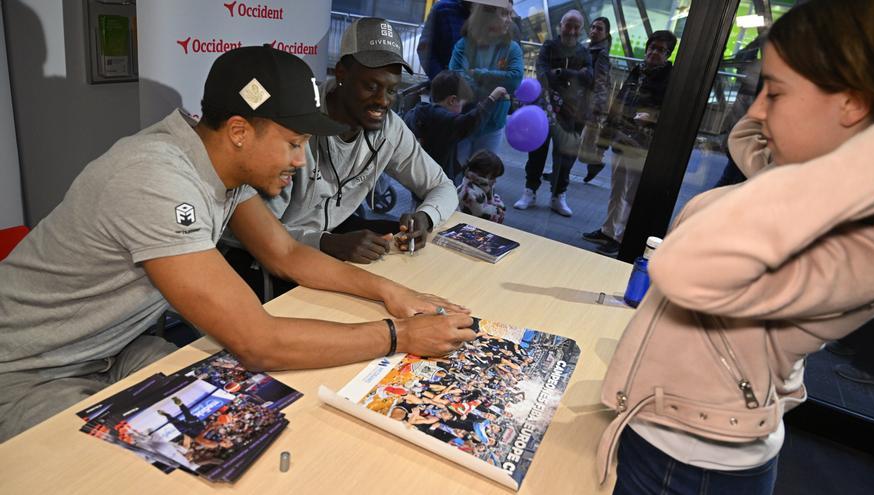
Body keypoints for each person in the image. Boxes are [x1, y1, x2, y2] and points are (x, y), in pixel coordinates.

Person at [0, 46, 476, 443]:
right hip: (27, 371)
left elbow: (286, 254)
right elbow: (257, 341)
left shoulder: (219, 158)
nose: (300, 159)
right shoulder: (155, 179)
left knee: (256, 421)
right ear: (239, 131)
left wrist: (390, 292)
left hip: (114, 349)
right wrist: (399, 337)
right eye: (294, 142)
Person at [596, 2, 874, 493]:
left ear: (853, 102)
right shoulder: (799, 182)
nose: (757, 108)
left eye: (776, 91)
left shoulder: (858, 240)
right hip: (667, 433)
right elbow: (744, 134)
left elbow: (682, 268)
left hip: (692, 466)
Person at [241, 18, 459, 267]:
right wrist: (327, 243)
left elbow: (444, 187)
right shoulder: (295, 122)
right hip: (268, 257)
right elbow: (254, 232)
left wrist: (425, 217)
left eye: (391, 90)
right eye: (371, 86)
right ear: (342, 73)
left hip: (326, 238)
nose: (383, 101)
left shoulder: (390, 128)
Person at [582, 30, 677, 255]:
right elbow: (618, 105)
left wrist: (652, 118)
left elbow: (671, 112)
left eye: (661, 50)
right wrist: (604, 141)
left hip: (642, 145)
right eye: (652, 48)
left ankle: (622, 238)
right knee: (617, 189)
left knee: (632, 194)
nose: (655, 53)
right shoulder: (638, 70)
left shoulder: (669, 78)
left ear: (669, 54)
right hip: (622, 139)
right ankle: (608, 230)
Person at [514, 9, 593, 217]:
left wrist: (560, 73)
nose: (572, 30)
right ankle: (529, 192)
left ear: (581, 30)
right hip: (544, 110)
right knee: (537, 153)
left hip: (571, 114)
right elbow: (542, 75)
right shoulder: (549, 46)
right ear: (561, 26)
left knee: (564, 158)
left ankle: (558, 196)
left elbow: (589, 79)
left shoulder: (585, 53)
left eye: (577, 27)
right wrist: (574, 75)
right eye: (569, 25)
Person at [404, 70, 508, 183]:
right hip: (436, 183)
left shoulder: (417, 112)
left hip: (418, 180)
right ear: (452, 100)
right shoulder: (443, 120)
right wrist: (492, 98)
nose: (461, 111)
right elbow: (469, 123)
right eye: (462, 105)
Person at [450, 0, 523, 159]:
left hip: (492, 125)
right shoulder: (463, 45)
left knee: (481, 178)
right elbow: (455, 78)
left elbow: (515, 79)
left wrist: (478, 74)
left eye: (510, 14)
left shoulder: (512, 48)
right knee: (453, 177)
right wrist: (493, 93)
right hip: (464, 119)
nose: (509, 20)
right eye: (504, 14)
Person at [579, 16, 613, 184]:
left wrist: (597, 108)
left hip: (588, 101)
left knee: (582, 140)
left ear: (606, 34)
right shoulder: (588, 48)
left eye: (599, 28)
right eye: (593, 27)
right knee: (575, 138)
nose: (594, 30)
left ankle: (595, 162)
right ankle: (560, 170)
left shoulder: (601, 53)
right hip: (579, 99)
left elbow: (601, 82)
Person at [417, 0, 471, 80]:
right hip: (447, 85)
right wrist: (443, 81)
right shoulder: (443, 9)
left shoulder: (489, 11)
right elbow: (425, 50)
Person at [457, 149, 506, 224]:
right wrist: (499, 208)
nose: (495, 181)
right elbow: (485, 214)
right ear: (482, 175)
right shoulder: (470, 193)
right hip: (469, 226)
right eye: (493, 177)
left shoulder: (479, 186)